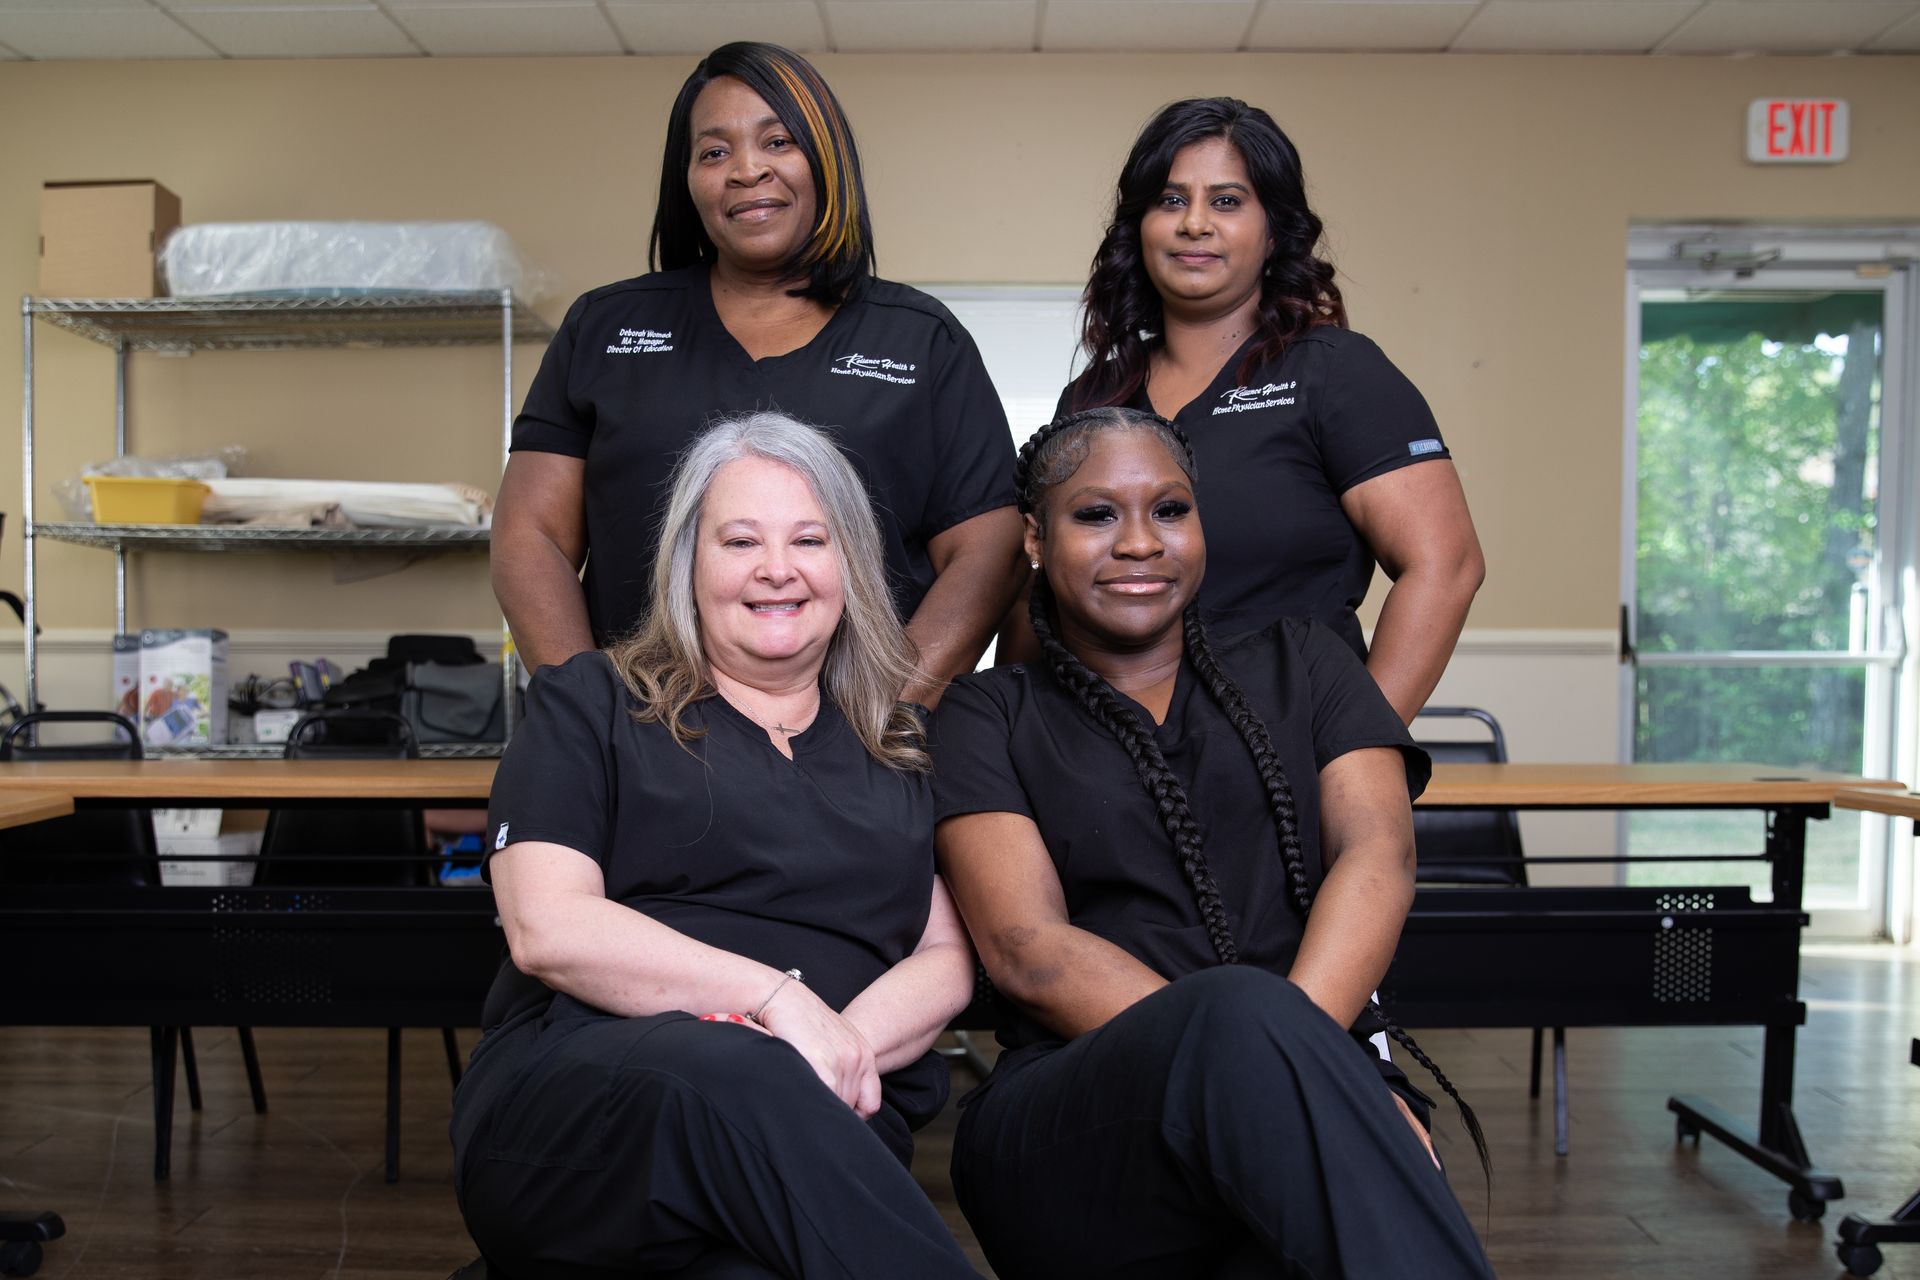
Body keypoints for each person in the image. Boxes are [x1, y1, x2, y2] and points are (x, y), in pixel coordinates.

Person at [932, 407, 1495, 1279]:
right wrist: (1287, 1073)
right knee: (1241, 1019)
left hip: (1310, 1084)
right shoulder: (986, 713)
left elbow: (1379, 857)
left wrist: (1289, 1081)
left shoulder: (1309, 660)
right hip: (1071, 1121)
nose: (1140, 543)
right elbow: (1026, 949)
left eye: (1170, 509)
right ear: (1036, 541)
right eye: (1095, 515)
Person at [453, 414, 981, 1279]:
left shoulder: (904, 744)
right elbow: (548, 926)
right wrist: (776, 1007)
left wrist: (832, 1047)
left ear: (848, 563)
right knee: (735, 1070)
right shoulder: (590, 703)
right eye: (740, 540)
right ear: (687, 565)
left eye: (810, 538)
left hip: (826, 1115)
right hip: (586, 1107)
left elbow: (947, 954)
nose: (778, 569)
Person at [493, 41, 1023, 709]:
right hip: (646, 738)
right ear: (686, 180)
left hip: (857, 748)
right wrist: (587, 713)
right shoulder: (604, 328)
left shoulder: (920, 340)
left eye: (778, 142)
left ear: (826, 162)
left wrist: (891, 713)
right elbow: (529, 535)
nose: (746, 170)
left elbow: (989, 553)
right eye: (714, 152)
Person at [1045, 97, 1483, 723]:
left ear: (1274, 231)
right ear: (1138, 226)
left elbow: (1448, 563)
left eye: (1226, 201)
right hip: (1111, 753)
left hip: (1289, 749)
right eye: (1170, 201)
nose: (1195, 223)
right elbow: (1044, 595)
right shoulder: (1093, 398)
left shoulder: (1335, 370)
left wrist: (1356, 748)